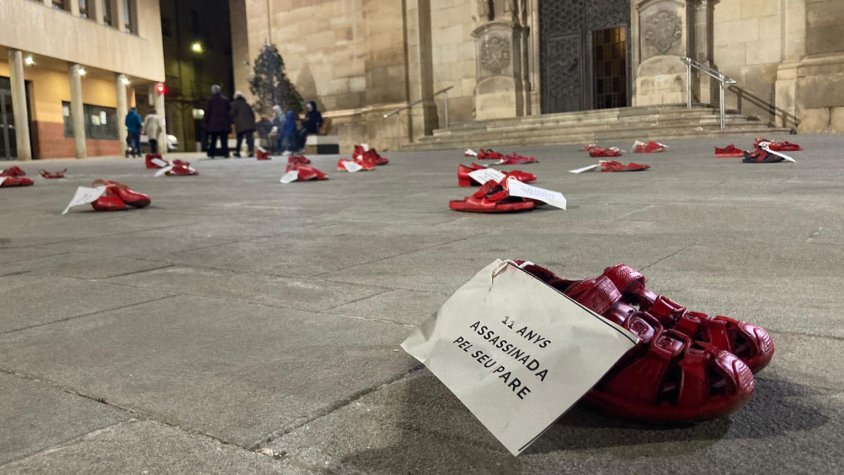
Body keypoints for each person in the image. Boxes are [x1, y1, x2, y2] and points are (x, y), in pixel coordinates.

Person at [204, 85, 231, 158]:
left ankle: (211, 153)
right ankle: (225, 153)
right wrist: (229, 121)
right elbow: (229, 111)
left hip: (213, 123)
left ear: (212, 91)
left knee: (213, 139)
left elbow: (207, 112)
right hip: (224, 123)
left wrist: (206, 121)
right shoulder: (225, 100)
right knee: (224, 140)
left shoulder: (210, 100)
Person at [230, 91, 256, 157]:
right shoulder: (246, 104)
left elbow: (232, 114)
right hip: (249, 124)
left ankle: (237, 151)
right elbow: (252, 114)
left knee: (239, 138)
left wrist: (233, 122)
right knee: (249, 138)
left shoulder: (234, 104)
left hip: (240, 124)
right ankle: (251, 151)